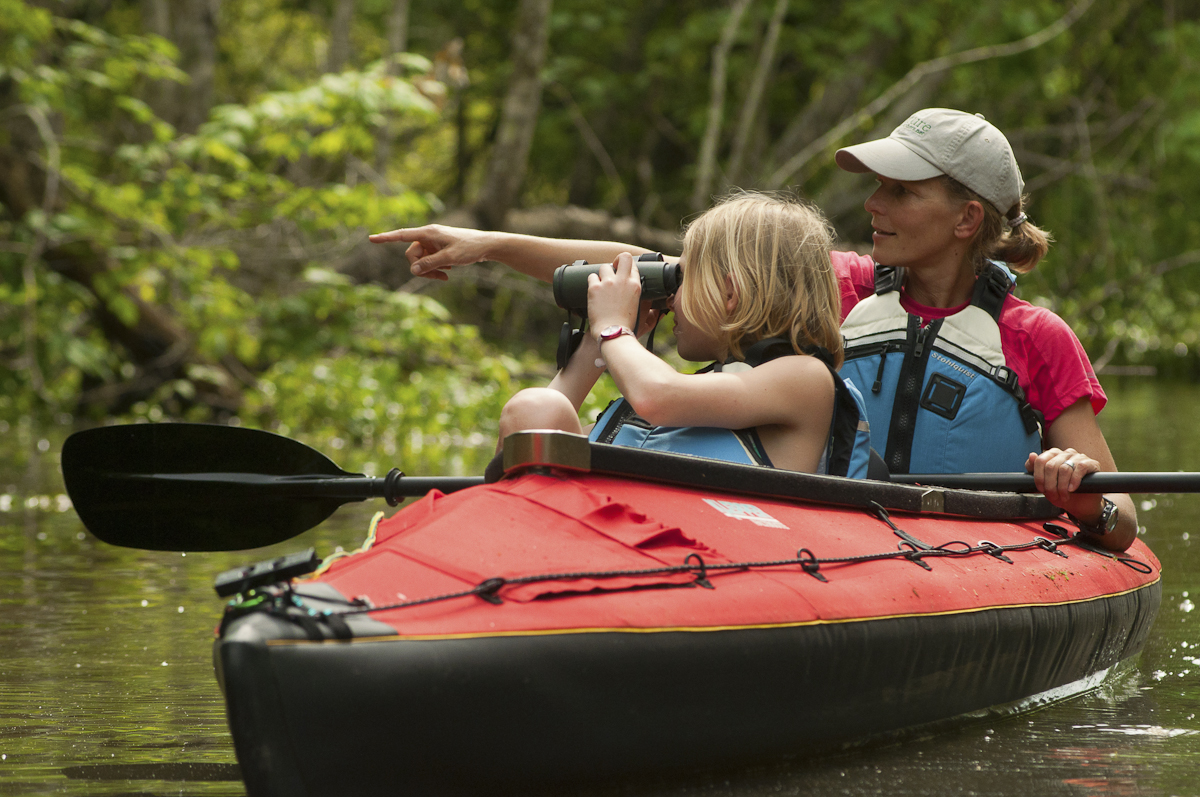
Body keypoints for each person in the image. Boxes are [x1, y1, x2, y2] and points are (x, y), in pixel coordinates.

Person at [369, 109, 1135, 552]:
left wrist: (1080, 490)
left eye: (900, 193)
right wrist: (489, 246)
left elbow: (1124, 516)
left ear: (967, 218)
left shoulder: (1034, 335)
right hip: (844, 531)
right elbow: (655, 267)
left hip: (971, 540)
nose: (873, 205)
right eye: (874, 188)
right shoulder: (848, 287)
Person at [492, 192, 871, 477]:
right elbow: (539, 433)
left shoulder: (804, 379)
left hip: (709, 564)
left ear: (729, 292)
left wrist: (615, 329)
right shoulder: (699, 396)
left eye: (683, 277)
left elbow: (657, 397)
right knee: (537, 409)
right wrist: (595, 341)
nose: (669, 298)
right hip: (615, 545)